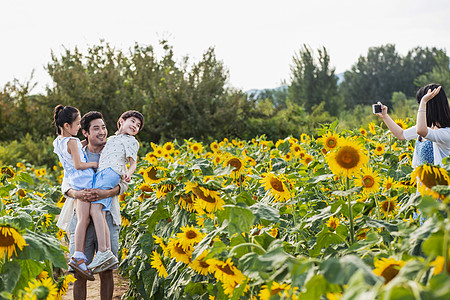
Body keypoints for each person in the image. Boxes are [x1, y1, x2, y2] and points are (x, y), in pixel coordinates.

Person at [56, 111, 127, 300]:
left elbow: (125, 183)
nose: (102, 132)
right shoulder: (77, 151)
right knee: (80, 270)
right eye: (96, 128)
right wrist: (76, 193)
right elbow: (66, 183)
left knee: (107, 269)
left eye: (103, 127)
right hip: (81, 216)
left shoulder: (113, 152)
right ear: (85, 132)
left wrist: (108, 193)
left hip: (107, 214)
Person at [376, 83, 450, 168]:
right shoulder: (428, 126)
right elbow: (401, 135)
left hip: (438, 180)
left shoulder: (446, 132)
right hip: (420, 180)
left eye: (421, 104)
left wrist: (423, 102)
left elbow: (421, 131)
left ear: (429, 106)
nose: (420, 107)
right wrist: (385, 116)